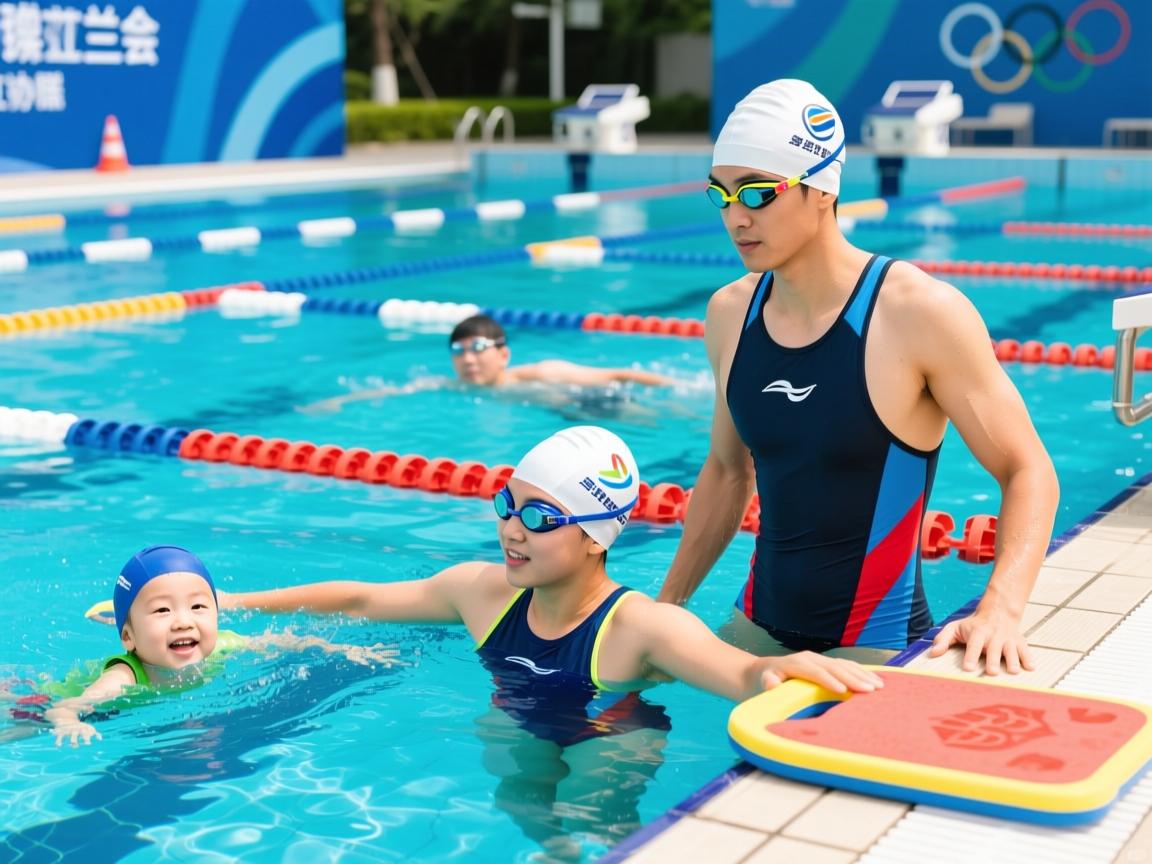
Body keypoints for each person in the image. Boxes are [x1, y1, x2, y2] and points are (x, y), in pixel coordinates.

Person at [655, 79, 1059, 675]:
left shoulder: (918, 313)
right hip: (752, 634)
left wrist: (1001, 607)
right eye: (722, 194)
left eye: (759, 193)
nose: (736, 217)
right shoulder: (729, 313)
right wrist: (666, 610)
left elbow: (1028, 469)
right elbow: (724, 469)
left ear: (822, 188)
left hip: (876, 647)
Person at [221, 426, 882, 705]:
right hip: (512, 725)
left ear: (596, 538)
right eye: (509, 503)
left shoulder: (642, 629)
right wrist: (232, 604)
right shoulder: (480, 592)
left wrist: (777, 669)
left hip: (608, 739)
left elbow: (739, 672)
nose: (511, 529)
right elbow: (359, 601)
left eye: (539, 518)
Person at [43, 545, 398, 747]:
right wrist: (67, 721)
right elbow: (66, 706)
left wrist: (343, 651)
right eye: (163, 610)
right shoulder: (125, 676)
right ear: (128, 637)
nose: (183, 621)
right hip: (40, 702)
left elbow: (288, 641)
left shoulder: (224, 646)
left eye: (198, 607)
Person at [299, 315, 673, 413]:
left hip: (600, 403)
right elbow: (399, 391)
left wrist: (669, 388)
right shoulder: (457, 388)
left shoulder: (542, 372)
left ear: (504, 354)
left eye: (477, 347)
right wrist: (339, 401)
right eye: (459, 351)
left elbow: (618, 375)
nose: (468, 359)